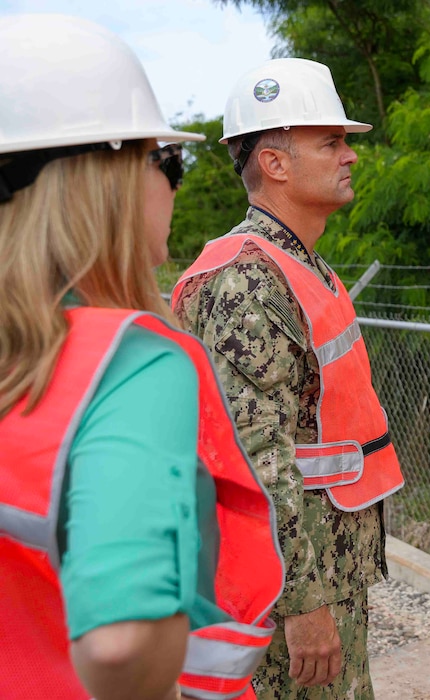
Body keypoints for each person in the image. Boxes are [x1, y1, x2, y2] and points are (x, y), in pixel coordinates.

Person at [0, 14, 285, 700]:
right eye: (169, 161)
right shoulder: (128, 363)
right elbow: (122, 644)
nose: (175, 187)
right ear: (109, 177)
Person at [173, 57, 404, 700]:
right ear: (274, 163)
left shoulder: (298, 263)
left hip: (330, 565)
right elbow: (255, 457)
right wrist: (301, 604)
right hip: (292, 587)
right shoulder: (249, 279)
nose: (349, 155)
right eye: (331, 142)